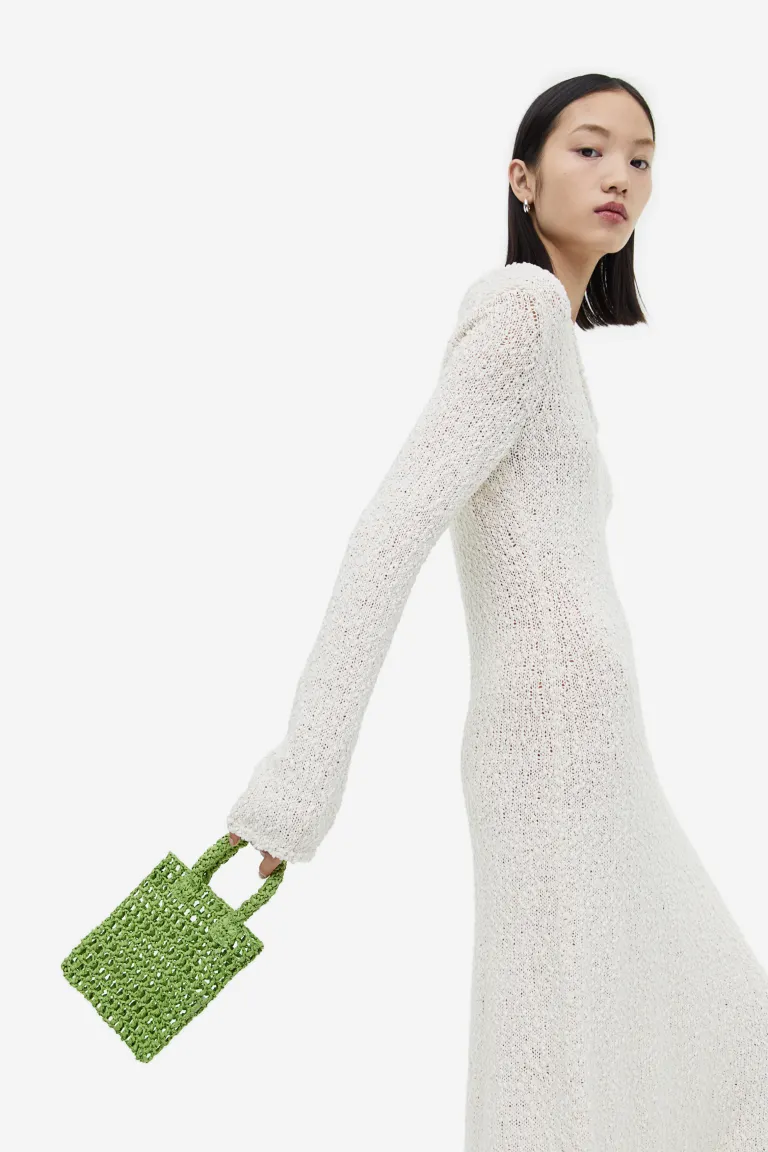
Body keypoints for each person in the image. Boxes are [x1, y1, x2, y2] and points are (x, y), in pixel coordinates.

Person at [227, 73, 768, 1148]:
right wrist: (300, 783)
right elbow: (392, 529)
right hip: (550, 747)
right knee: (567, 1041)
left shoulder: (550, 332)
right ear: (522, 180)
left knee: (689, 1024)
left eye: (642, 157)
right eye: (589, 149)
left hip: (596, 747)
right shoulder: (521, 313)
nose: (620, 176)